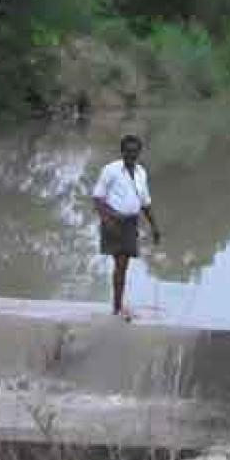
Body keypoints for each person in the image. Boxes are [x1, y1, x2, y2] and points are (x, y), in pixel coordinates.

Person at [92, 135, 161, 321]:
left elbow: (145, 202)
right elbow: (98, 197)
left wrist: (154, 226)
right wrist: (107, 220)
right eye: (128, 151)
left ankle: (118, 304)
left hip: (131, 223)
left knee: (124, 265)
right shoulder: (110, 170)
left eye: (135, 151)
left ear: (139, 152)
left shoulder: (141, 172)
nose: (132, 154)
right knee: (120, 264)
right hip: (113, 221)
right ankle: (117, 307)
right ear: (122, 151)